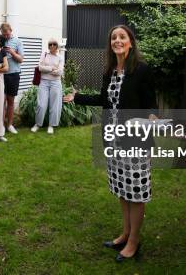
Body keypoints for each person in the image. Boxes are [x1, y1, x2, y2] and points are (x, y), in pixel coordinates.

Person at [64, 25, 157, 262]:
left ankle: (134, 240)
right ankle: (125, 233)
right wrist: (77, 97)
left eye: (122, 37)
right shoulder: (110, 71)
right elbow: (103, 99)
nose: (117, 40)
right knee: (122, 189)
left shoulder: (142, 70)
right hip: (114, 140)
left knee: (135, 191)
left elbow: (150, 105)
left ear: (130, 43)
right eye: (114, 37)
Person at [31, 38, 64, 134]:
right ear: (48, 46)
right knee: (41, 104)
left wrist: (49, 70)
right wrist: (52, 68)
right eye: (50, 44)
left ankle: (51, 125)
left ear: (57, 46)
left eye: (54, 44)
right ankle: (37, 124)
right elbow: (40, 67)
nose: (52, 46)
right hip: (44, 82)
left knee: (54, 105)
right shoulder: (44, 54)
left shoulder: (60, 57)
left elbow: (60, 71)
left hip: (56, 83)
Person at [0, 23, 24, 135]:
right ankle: (0, 126)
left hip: (13, 75)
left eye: (7, 34)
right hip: (1, 74)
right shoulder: (0, 41)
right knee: (1, 101)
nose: (5, 36)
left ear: (11, 30)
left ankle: (9, 125)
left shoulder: (18, 41)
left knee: (10, 101)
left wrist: (12, 52)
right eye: (3, 34)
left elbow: (21, 59)